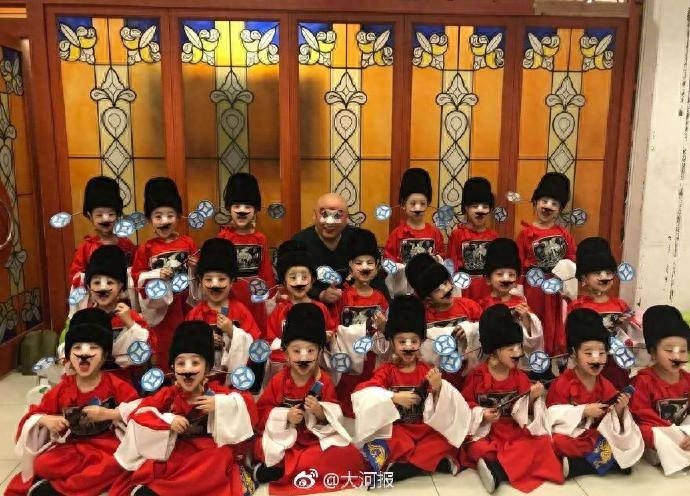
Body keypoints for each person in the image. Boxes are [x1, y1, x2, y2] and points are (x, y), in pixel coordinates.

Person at [111, 321, 257, 496]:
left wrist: (220, 404)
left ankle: (166, 490)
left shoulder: (217, 393)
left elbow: (250, 409)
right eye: (181, 364)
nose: (188, 370)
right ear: (173, 367)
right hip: (178, 451)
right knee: (160, 463)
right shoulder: (168, 395)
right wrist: (167, 421)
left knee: (222, 456)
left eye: (195, 363)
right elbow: (140, 414)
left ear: (207, 367)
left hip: (207, 453)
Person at [6, 309, 140, 496]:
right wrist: (45, 420)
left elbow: (139, 410)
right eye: (77, 348)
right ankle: (83, 483)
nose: (84, 354)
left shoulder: (115, 384)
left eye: (93, 348)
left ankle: (62, 488)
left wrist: (110, 414)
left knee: (116, 463)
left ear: (104, 355)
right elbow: (34, 414)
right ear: (69, 356)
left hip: (106, 446)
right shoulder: (63, 388)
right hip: (72, 447)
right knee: (43, 464)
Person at [353, 295, 471, 482]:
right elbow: (364, 392)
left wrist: (439, 388)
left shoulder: (427, 370)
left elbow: (443, 408)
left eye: (414, 341)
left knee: (446, 439)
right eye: (402, 342)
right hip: (399, 429)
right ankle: (427, 463)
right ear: (392, 342)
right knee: (389, 441)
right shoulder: (387, 371)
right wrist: (392, 397)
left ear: (421, 342)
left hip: (423, 429)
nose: (408, 347)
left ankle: (404, 468)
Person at [252, 303, 366, 495]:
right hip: (285, 440)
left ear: (319, 352)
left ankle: (282, 470)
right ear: (286, 353)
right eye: (296, 351)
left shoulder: (324, 381)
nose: (303, 358)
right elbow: (261, 413)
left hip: (313, 440)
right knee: (260, 446)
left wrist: (321, 412)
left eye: (310, 351)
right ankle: (289, 467)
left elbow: (336, 417)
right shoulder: (279, 380)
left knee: (349, 454)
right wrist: (284, 416)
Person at [460, 304, 562, 494]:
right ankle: (506, 465)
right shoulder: (476, 376)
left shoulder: (520, 377)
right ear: (494, 351)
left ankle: (497, 469)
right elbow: (466, 405)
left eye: (519, 347)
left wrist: (531, 398)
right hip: (488, 432)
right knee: (477, 447)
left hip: (512, 432)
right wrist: (481, 414)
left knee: (542, 443)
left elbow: (525, 414)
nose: (518, 353)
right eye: (511, 348)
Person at [547, 309, 643, 478]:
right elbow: (551, 416)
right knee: (557, 442)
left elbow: (610, 419)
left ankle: (581, 465)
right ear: (573, 353)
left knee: (628, 439)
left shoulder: (605, 383)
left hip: (595, 434)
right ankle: (602, 463)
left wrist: (619, 409)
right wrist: (583, 411)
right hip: (572, 434)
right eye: (589, 353)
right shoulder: (562, 383)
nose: (596, 359)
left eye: (602, 353)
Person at [60, 246, 154, 390]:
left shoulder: (130, 316)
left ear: (121, 287)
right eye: (96, 283)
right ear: (89, 288)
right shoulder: (83, 318)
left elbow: (149, 349)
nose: (102, 288)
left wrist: (130, 323)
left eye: (110, 282)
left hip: (125, 384)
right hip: (92, 383)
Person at [131, 177, 197, 371]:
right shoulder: (146, 248)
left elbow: (199, 277)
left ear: (179, 216)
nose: (164, 221)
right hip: (161, 311)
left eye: (170, 215)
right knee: (164, 348)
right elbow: (137, 277)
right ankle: (166, 378)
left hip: (185, 305)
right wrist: (155, 274)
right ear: (149, 219)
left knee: (189, 344)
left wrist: (195, 267)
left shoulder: (188, 243)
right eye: (158, 216)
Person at [568, 237, 645, 388]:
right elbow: (569, 336)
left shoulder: (620, 305)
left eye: (608, 272)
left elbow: (631, 335)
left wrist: (625, 325)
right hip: (588, 361)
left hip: (614, 364)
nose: (604, 277)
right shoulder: (577, 306)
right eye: (597, 273)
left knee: (615, 390)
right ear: (584, 278)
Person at [292, 192, 389, 309]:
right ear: (314, 215)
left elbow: (377, 279)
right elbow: (291, 282)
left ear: (347, 218)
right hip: (313, 308)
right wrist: (320, 294)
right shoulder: (299, 242)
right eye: (324, 214)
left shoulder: (360, 238)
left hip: (356, 306)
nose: (330, 222)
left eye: (337, 216)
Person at [516, 172, 576, 357]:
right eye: (544, 201)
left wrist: (568, 285)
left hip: (557, 291)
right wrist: (518, 292)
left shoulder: (564, 234)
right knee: (535, 321)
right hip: (533, 289)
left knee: (555, 323)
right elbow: (518, 265)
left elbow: (572, 259)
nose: (548, 206)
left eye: (554, 204)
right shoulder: (525, 235)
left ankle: (552, 357)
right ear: (535, 202)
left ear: (560, 209)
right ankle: (534, 356)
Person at [331, 228, 389, 417]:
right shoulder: (343, 296)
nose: (365, 267)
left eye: (370, 263)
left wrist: (383, 328)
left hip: (371, 357)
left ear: (377, 266)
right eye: (359, 263)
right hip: (348, 357)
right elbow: (335, 327)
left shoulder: (380, 298)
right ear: (350, 265)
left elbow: (386, 330)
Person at [406, 252, 482, 390]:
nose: (447, 289)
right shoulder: (420, 316)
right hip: (435, 377)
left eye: (446, 282)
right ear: (427, 300)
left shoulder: (470, 306)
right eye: (438, 289)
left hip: (468, 375)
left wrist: (469, 331)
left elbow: (484, 331)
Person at [186, 238, 259, 378]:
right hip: (203, 380)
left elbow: (254, 346)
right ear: (200, 281)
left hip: (234, 379)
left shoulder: (241, 311)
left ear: (232, 282)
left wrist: (232, 332)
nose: (215, 285)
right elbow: (185, 348)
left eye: (221, 279)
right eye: (208, 279)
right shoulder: (195, 315)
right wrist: (205, 341)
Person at [630, 305, 690, 475]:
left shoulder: (687, 379)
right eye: (669, 350)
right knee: (643, 431)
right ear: (653, 352)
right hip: (660, 433)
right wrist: (673, 432)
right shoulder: (643, 380)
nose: (677, 356)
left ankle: (680, 451)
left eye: (683, 351)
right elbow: (642, 415)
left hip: (682, 432)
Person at [265, 240, 337, 381]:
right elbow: (271, 341)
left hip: (315, 368)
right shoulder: (279, 310)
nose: (299, 282)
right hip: (285, 370)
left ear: (313, 280)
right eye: (293, 277)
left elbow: (332, 332)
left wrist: (328, 337)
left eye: (304, 277)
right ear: (284, 281)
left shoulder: (320, 308)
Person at [217, 172, 276, 334]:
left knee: (256, 334)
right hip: (230, 296)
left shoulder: (260, 238)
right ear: (229, 208)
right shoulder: (223, 237)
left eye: (247, 207)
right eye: (236, 206)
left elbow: (266, 270)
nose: (242, 211)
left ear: (255, 209)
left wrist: (270, 294)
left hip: (255, 298)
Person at [478, 238, 543, 375]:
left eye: (511, 274)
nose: (506, 279)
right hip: (493, 360)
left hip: (517, 357)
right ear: (488, 279)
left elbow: (531, 333)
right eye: (499, 274)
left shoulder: (521, 301)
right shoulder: (483, 304)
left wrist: (526, 318)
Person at [384, 168, 445, 295]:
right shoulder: (396, 234)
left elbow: (442, 259)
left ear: (428, 203)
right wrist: (400, 268)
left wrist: (437, 259)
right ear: (403, 204)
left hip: (429, 292)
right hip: (403, 291)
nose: (418, 208)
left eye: (422, 203)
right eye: (412, 203)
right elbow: (387, 262)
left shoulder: (435, 233)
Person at [68, 176, 137, 286]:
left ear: (118, 215)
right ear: (90, 216)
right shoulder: (85, 248)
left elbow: (136, 271)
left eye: (111, 214)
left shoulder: (126, 244)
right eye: (99, 215)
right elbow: (74, 276)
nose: (105, 219)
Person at [448, 177, 498, 303]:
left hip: (488, 292)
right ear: (466, 208)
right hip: (464, 292)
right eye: (474, 206)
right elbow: (451, 268)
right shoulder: (457, 235)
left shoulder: (493, 236)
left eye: (485, 206)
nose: (480, 211)